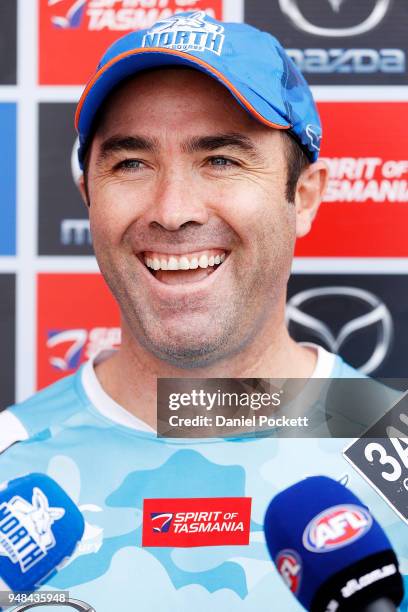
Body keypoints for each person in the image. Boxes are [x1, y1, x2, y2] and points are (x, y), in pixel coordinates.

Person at [0, 11, 406, 611]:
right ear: (89, 196)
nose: (172, 210)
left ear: (305, 197)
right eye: (131, 163)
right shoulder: (11, 461)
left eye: (221, 159)